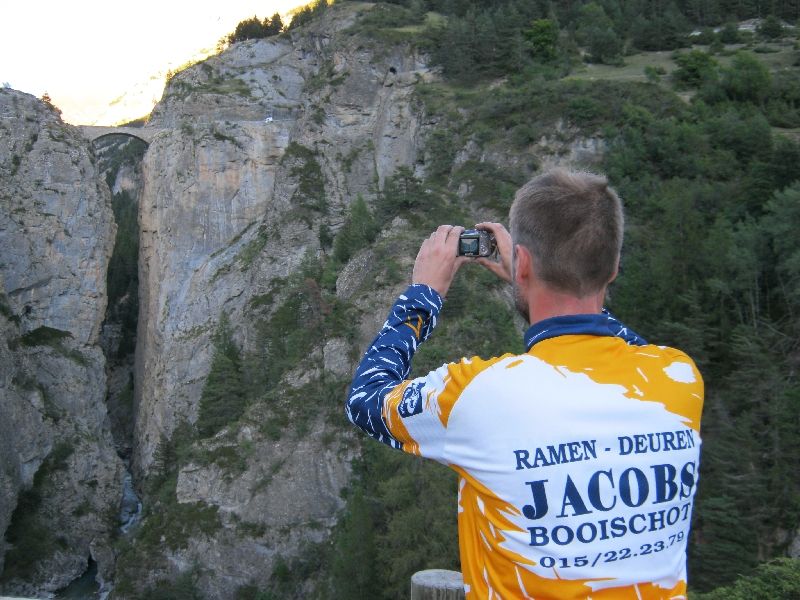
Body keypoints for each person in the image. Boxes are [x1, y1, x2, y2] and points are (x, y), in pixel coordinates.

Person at [346, 168, 704, 599]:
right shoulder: (680, 379)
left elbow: (365, 400)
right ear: (612, 271)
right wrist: (534, 280)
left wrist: (424, 293)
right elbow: (622, 347)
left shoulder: (478, 395)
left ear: (525, 264)